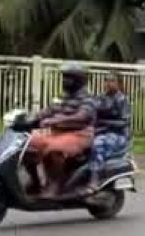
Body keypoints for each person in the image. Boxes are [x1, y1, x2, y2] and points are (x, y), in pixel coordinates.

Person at [23, 62, 97, 198]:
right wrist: (29, 119)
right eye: (64, 77)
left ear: (79, 80)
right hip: (57, 133)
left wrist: (56, 120)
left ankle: (56, 184)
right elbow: (48, 110)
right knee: (26, 145)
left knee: (54, 149)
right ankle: (35, 182)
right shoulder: (63, 96)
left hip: (79, 134)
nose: (64, 80)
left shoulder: (88, 97)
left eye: (68, 77)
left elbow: (82, 116)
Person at [88, 72, 132, 193]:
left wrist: (104, 124)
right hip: (102, 132)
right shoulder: (101, 98)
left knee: (97, 145)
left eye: (112, 81)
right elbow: (92, 112)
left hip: (118, 135)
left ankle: (95, 179)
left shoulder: (122, 99)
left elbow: (124, 122)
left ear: (118, 84)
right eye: (106, 80)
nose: (108, 83)